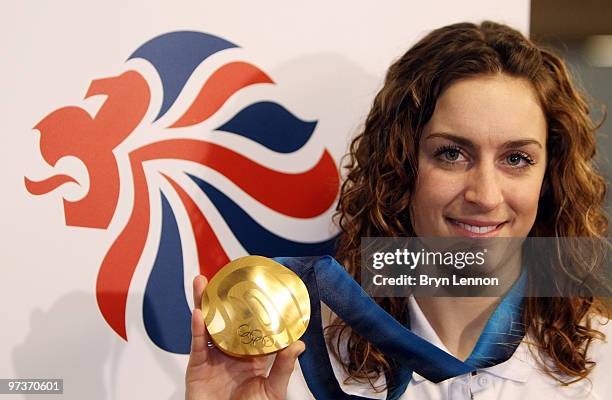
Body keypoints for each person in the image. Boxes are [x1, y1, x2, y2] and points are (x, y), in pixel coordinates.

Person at [185, 21, 611, 399]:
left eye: (516, 158)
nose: (485, 195)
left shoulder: (604, 364)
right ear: (401, 166)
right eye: (451, 154)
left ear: (550, 177)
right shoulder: (295, 367)